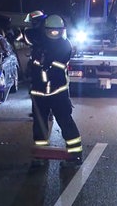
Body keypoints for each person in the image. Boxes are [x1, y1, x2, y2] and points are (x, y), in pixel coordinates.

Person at [29, 14, 83, 167]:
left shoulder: (65, 45)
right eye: (51, 30)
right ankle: (40, 156)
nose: (54, 33)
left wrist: (42, 65)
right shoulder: (39, 42)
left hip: (58, 91)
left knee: (65, 121)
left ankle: (75, 154)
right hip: (39, 93)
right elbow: (27, 37)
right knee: (39, 125)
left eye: (57, 31)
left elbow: (55, 68)